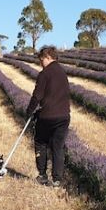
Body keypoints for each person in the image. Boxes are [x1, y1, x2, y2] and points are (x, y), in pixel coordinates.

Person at [25, 46, 70, 187]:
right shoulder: (63, 72)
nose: (40, 62)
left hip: (48, 117)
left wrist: (29, 112)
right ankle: (57, 180)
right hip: (64, 116)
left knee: (41, 142)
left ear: (49, 57)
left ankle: (43, 175)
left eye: (41, 59)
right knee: (58, 147)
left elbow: (37, 95)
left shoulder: (45, 74)